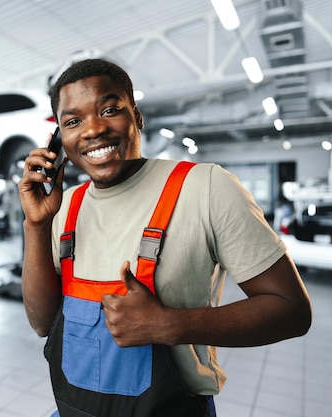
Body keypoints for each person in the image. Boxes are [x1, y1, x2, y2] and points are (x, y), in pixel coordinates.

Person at [18, 58, 312, 417]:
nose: (92, 129)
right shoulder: (64, 209)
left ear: (136, 117)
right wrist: (35, 224)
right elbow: (41, 322)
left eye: (109, 109)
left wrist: (170, 324)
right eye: (73, 121)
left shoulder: (205, 188)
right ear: (59, 140)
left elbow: (292, 310)